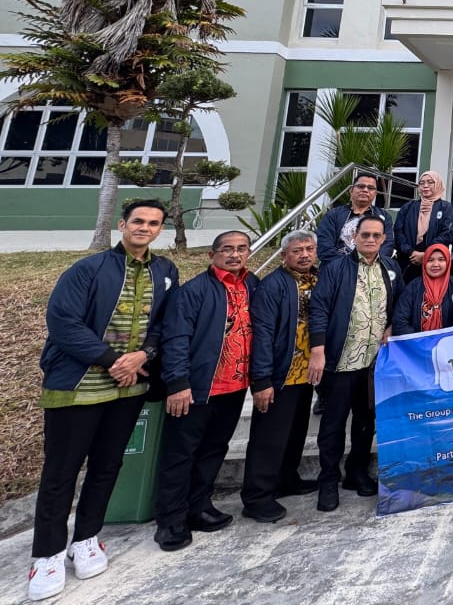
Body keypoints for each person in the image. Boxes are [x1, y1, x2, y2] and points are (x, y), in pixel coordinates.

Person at [28, 200, 178, 600]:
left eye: (153, 223)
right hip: (79, 385)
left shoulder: (165, 271)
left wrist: (143, 356)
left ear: (161, 228)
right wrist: (114, 360)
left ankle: (87, 538)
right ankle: (47, 554)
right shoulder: (88, 269)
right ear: (122, 224)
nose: (145, 228)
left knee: (108, 465)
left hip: (129, 386)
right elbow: (63, 322)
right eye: (138, 221)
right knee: (61, 472)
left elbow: (165, 323)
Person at [153, 231, 258, 552]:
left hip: (235, 386)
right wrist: (177, 383)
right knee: (180, 454)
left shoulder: (252, 286)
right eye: (227, 249)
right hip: (198, 387)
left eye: (241, 249)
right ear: (212, 254)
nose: (234, 255)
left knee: (214, 449)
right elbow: (176, 338)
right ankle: (170, 520)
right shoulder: (194, 291)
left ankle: (199, 506)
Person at [308, 214, 398, 513]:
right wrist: (318, 350)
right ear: (354, 237)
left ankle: (356, 473)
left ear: (384, 239)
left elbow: (396, 304)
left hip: (373, 364)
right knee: (333, 425)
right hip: (340, 361)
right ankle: (328, 480)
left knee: (365, 422)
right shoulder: (335, 269)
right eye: (365, 235)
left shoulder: (390, 268)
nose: (371, 240)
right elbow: (319, 308)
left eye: (376, 235)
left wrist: (391, 327)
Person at [241, 230, 320, 525]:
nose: (304, 255)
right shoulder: (273, 285)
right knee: (268, 437)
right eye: (297, 250)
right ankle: (257, 496)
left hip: (307, 373)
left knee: (295, 431)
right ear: (284, 255)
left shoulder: (317, 279)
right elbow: (262, 335)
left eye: (309, 249)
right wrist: (261, 380)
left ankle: (287, 478)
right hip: (280, 373)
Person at [315, 172, 394, 264]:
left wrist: (369, 262)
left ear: (375, 193)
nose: (365, 190)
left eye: (370, 188)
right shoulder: (334, 214)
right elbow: (324, 245)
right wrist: (348, 264)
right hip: (337, 268)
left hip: (371, 269)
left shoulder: (384, 217)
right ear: (351, 190)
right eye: (361, 186)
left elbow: (387, 245)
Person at [392, 171, 453, 279]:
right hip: (408, 260)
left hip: (433, 261)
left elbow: (447, 234)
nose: (425, 186)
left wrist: (426, 254)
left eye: (430, 182)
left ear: (438, 184)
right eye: (422, 183)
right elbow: (398, 231)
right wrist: (411, 252)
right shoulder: (408, 207)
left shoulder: (445, 208)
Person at [391, 244, 453, 335]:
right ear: (424, 262)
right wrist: (420, 341)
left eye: (441, 259)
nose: (435, 264)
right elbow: (400, 320)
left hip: (448, 345)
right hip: (418, 345)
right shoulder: (413, 287)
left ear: (448, 262)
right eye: (430, 260)